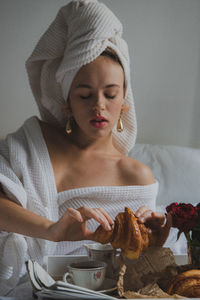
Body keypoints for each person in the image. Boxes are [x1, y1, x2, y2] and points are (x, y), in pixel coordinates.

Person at [0, 0, 171, 295]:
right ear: (67, 103)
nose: (99, 106)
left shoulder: (136, 175)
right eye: (84, 95)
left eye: (110, 94)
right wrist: (50, 230)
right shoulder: (32, 143)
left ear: (124, 102)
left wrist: (158, 238)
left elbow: (136, 269)